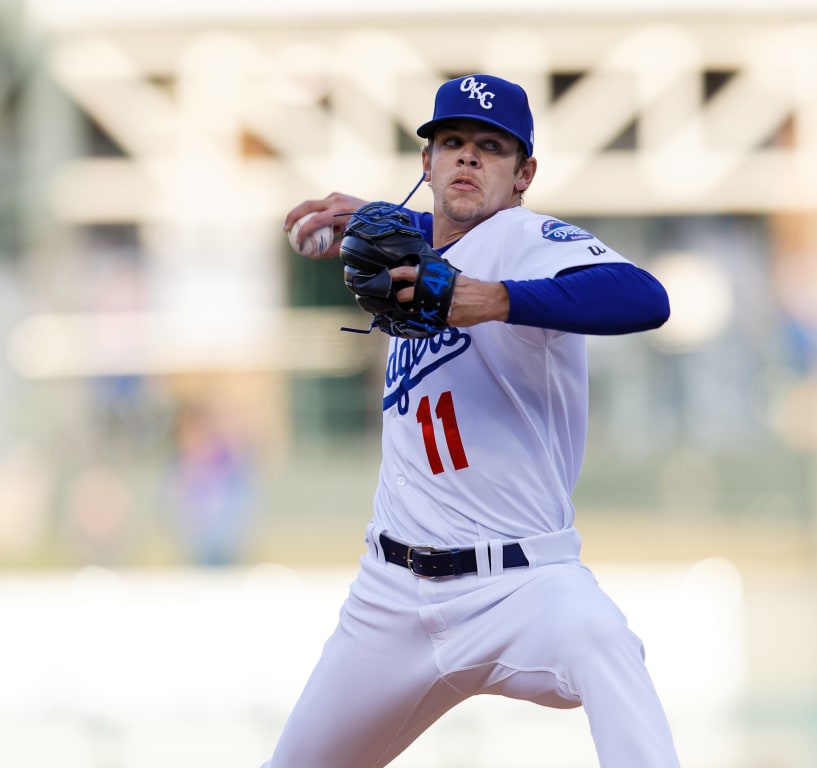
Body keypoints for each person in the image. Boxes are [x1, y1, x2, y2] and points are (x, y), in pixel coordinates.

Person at [268, 73, 680, 767]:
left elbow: (645, 298)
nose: (467, 157)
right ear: (425, 164)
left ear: (524, 175)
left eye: (490, 147)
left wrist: (494, 301)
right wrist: (372, 212)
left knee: (602, 639)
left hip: (521, 583)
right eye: (451, 142)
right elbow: (442, 244)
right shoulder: (415, 257)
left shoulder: (523, 239)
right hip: (390, 595)